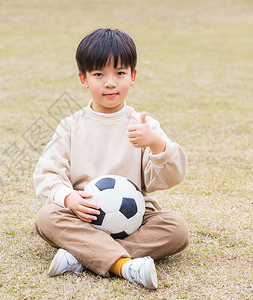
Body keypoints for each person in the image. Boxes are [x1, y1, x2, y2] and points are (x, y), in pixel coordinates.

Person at [33, 28, 189, 290]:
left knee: (176, 229)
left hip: (135, 218)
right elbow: (47, 173)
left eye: (119, 73)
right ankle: (125, 266)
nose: (110, 83)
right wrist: (67, 197)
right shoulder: (71, 126)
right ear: (83, 79)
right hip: (82, 215)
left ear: (132, 76)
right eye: (98, 74)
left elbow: (170, 177)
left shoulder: (143, 126)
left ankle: (82, 256)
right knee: (47, 217)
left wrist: (157, 144)